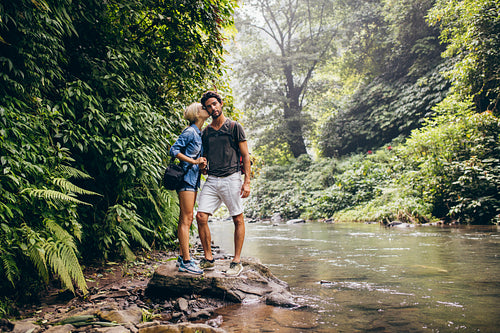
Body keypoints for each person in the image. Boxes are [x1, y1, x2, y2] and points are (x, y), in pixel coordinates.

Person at [196, 91, 251, 276]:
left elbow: (245, 156)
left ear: (221, 104)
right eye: (209, 106)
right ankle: (209, 258)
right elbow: (204, 157)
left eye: (215, 104)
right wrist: (203, 166)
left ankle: (236, 261)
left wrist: (247, 182)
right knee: (201, 216)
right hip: (212, 180)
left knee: (237, 218)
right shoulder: (206, 132)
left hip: (232, 178)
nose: (213, 108)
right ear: (207, 110)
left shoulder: (235, 127)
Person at [169, 102, 210, 275]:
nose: (205, 110)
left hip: (193, 180)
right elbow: (173, 150)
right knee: (186, 218)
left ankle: (181, 256)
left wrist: (201, 165)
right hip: (185, 179)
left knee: (186, 218)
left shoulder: (199, 133)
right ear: (197, 114)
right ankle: (186, 261)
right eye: (202, 108)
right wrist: (193, 162)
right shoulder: (190, 131)